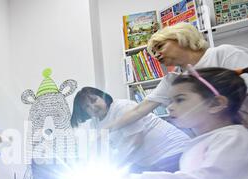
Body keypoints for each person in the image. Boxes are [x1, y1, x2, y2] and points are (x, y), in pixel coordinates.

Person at [105, 22, 248, 132]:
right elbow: (138, 110)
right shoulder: (172, 81)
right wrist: (104, 131)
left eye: (160, 47)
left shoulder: (223, 54)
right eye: (153, 53)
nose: (156, 55)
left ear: (181, 38)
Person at [71, 86, 190, 171]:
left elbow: (135, 141)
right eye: (87, 106)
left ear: (102, 96)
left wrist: (114, 167)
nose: (93, 107)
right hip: (149, 161)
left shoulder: (121, 107)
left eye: (94, 100)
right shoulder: (95, 123)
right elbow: (100, 151)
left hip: (173, 151)